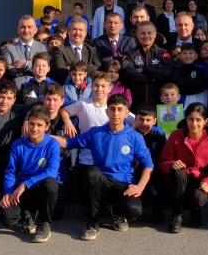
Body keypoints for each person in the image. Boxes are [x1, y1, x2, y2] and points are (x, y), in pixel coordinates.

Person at [62, 94, 154, 241]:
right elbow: (68, 143)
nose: (115, 113)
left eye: (119, 109)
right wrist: (44, 137)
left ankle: (118, 212)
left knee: (133, 211)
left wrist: (140, 187)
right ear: (107, 112)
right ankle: (92, 222)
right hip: (102, 183)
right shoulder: (95, 132)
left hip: (124, 185)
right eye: (112, 109)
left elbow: (148, 165)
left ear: (126, 113)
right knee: (92, 172)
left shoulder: (135, 136)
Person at [0, 104, 62, 243]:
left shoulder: (53, 144)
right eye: (32, 124)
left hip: (42, 188)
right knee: (6, 217)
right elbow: (11, 171)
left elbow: (51, 171)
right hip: (24, 190)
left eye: (39, 125)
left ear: (47, 126)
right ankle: (29, 215)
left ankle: (44, 223)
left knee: (51, 183)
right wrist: (8, 192)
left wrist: (25, 184)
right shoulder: (18, 144)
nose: (34, 128)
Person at [158, 102, 208, 233]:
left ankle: (195, 211)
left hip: (198, 181)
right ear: (186, 119)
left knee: (197, 198)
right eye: (191, 119)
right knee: (179, 172)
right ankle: (176, 215)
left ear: (206, 121)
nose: (194, 124)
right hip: (177, 182)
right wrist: (171, 164)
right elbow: (163, 163)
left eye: (198, 120)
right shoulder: (176, 136)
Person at [119, 21, 173, 109]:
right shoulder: (129, 54)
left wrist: (144, 70)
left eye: (149, 33)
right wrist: (154, 78)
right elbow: (129, 74)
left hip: (159, 105)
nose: (146, 36)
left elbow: (167, 71)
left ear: (155, 34)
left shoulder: (163, 53)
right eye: (143, 33)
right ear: (137, 34)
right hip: (135, 105)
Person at [51, 18, 101, 82]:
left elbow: (98, 68)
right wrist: (87, 68)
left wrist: (70, 68)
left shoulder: (91, 50)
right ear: (68, 31)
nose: (77, 33)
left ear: (85, 33)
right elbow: (60, 71)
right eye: (74, 29)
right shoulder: (59, 49)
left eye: (81, 30)